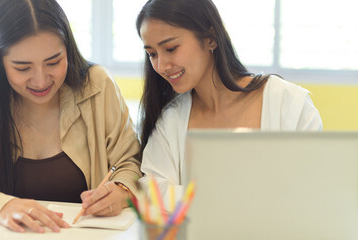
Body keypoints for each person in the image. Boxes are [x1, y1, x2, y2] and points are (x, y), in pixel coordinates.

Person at [0, 0, 141, 233]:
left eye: (54, 62)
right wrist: (1, 206)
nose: (41, 81)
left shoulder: (97, 87)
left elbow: (130, 162)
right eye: (22, 68)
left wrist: (121, 190)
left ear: (68, 50)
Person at [136, 0, 322, 207]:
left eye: (171, 48)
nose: (161, 66)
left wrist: (203, 198)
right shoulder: (170, 120)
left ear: (211, 39)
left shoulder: (288, 103)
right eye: (152, 54)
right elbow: (154, 192)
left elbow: (312, 190)